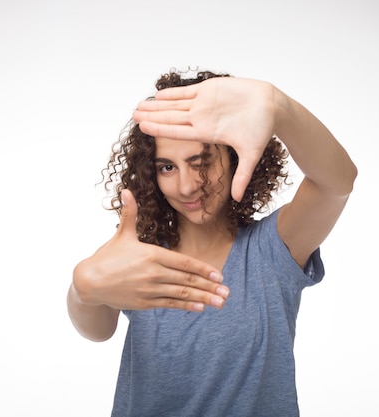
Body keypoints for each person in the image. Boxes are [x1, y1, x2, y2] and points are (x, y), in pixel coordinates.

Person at [67, 68, 357, 416]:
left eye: (201, 161)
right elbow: (98, 330)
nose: (188, 186)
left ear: (234, 156)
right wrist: (83, 289)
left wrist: (279, 108)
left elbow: (337, 182)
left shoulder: (272, 250)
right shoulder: (144, 259)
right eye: (167, 167)